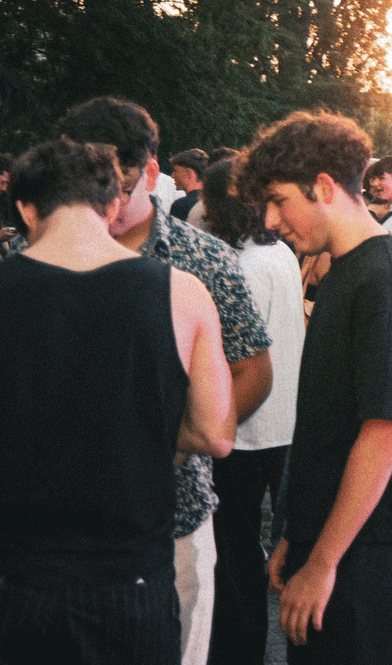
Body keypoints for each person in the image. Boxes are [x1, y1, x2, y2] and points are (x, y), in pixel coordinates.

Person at [0, 137, 234, 665]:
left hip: (21, 577)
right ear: (110, 205)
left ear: (26, 206)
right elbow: (215, 434)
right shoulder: (182, 292)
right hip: (134, 578)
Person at [56, 97, 272, 665]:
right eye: (84, 187)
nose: (101, 205)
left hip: (170, 518)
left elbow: (253, 370)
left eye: (117, 188)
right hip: (56, 524)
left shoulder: (205, 260)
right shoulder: (42, 257)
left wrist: (177, 439)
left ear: (152, 172)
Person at [236, 112, 392, 664]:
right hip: (331, 535)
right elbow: (332, 421)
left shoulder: (386, 283)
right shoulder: (344, 270)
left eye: (280, 201)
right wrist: (296, 533)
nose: (272, 221)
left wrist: (323, 560)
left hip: (363, 550)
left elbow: (384, 433)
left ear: (324, 186)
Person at [203, 159, 307, 665]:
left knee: (237, 550)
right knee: (286, 539)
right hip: (285, 417)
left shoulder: (237, 263)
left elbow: (230, 354)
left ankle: (239, 650)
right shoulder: (281, 253)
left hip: (247, 425)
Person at [170, 148, 209, 222]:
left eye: (176, 171)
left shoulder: (181, 206)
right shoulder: (213, 203)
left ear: (189, 173)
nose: (172, 176)